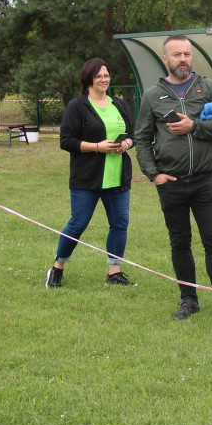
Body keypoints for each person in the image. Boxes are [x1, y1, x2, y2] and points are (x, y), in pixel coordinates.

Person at [133, 34, 212, 325]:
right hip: (171, 183)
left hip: (204, 180)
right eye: (177, 55)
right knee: (180, 243)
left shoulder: (207, 87)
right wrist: (153, 174)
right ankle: (189, 300)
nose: (183, 59)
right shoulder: (151, 95)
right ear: (165, 59)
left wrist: (195, 125)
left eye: (187, 54)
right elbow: (141, 138)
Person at [45, 58, 135, 289]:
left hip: (117, 176)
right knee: (78, 223)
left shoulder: (119, 104)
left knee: (120, 224)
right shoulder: (77, 106)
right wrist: (97, 147)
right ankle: (57, 268)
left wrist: (126, 144)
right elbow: (66, 141)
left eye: (106, 75)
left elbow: (133, 134)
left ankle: (114, 272)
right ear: (88, 80)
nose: (104, 79)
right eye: (99, 76)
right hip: (87, 178)